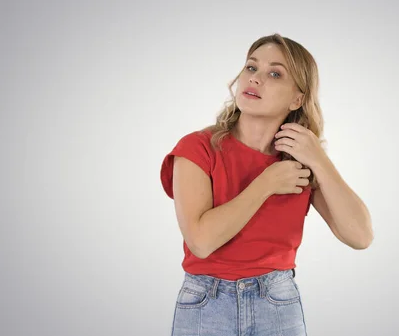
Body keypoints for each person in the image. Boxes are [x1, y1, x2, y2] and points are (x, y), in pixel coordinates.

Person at [160, 33, 373, 336]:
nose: (256, 79)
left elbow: (360, 236)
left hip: (277, 303)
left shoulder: (301, 162)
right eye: (251, 68)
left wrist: (320, 162)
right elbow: (201, 241)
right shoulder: (198, 148)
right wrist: (267, 183)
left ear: (297, 99)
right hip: (206, 303)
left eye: (275, 73)